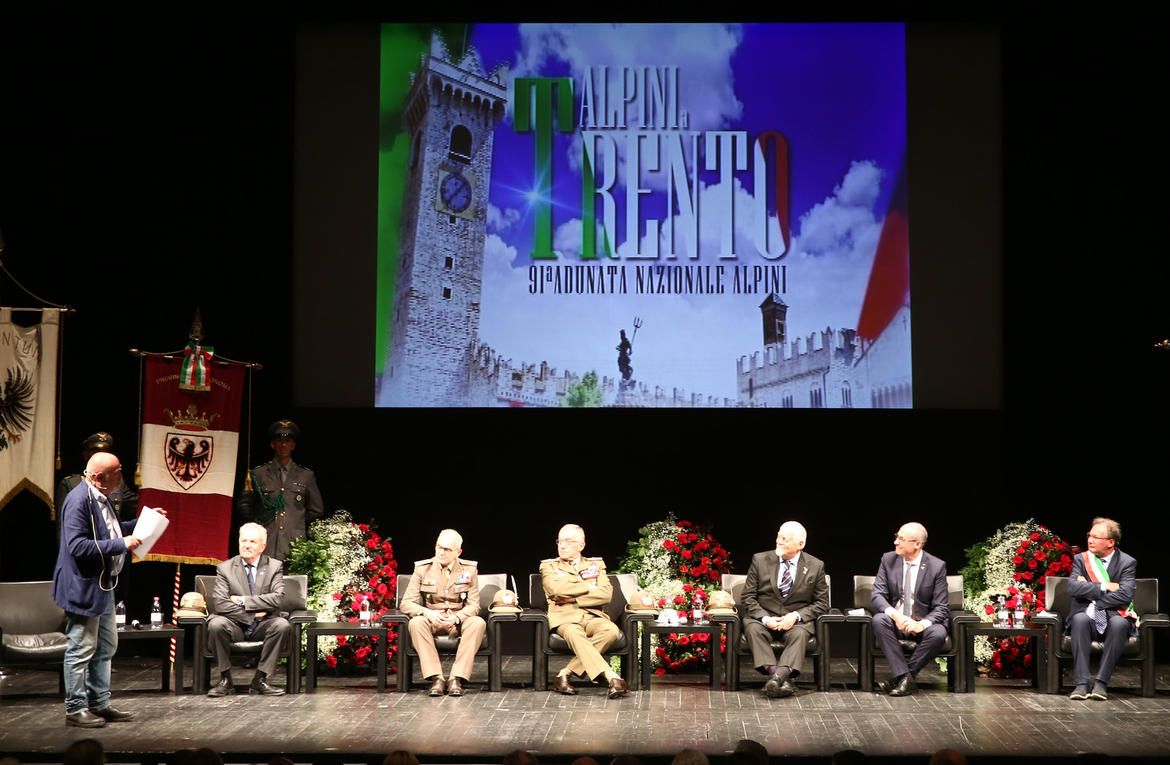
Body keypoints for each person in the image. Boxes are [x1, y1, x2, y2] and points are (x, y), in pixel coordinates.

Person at [53, 451, 158, 727]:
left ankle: (99, 703)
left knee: (106, 646)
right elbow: (77, 546)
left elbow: (111, 530)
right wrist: (122, 544)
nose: (122, 475)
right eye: (117, 471)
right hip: (84, 587)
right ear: (99, 477)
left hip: (103, 585)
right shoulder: (78, 500)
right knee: (81, 648)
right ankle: (75, 708)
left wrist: (141, 524)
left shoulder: (102, 496)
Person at [740, 521, 830, 698]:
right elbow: (747, 597)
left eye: (785, 539)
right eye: (778, 536)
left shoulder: (815, 565)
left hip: (795, 622)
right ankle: (780, 678)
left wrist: (796, 616)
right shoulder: (760, 560)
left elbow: (822, 602)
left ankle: (775, 679)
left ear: (800, 544)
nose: (779, 541)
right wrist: (765, 618)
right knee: (753, 628)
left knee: (800, 634)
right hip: (764, 618)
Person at [539, 523, 628, 698]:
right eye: (560, 541)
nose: (562, 545)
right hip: (565, 618)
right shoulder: (549, 566)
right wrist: (588, 586)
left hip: (592, 615)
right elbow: (556, 591)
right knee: (574, 634)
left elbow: (605, 594)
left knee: (610, 630)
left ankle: (565, 673)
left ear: (581, 545)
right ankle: (612, 677)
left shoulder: (595, 565)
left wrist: (572, 597)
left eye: (568, 541)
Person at [205, 522, 292, 697]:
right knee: (216, 624)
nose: (247, 545)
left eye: (252, 541)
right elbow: (220, 603)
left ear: (262, 546)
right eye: (243, 541)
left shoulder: (274, 566)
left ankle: (260, 679)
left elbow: (277, 599)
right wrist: (252, 615)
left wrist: (242, 600)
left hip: (263, 625)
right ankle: (225, 680)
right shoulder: (225, 568)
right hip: (235, 625)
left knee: (282, 625)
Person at [399, 528, 486, 697]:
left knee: (477, 622)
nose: (441, 552)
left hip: (457, 621)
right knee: (416, 622)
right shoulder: (422, 569)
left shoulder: (469, 570)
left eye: (447, 549)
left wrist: (457, 617)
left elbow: (474, 605)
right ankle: (436, 678)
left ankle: (456, 678)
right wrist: (427, 613)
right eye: (439, 547)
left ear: (458, 552)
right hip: (432, 620)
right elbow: (407, 603)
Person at [869, 521, 950, 697]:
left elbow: (941, 607)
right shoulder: (888, 560)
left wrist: (921, 624)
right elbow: (877, 596)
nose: (896, 542)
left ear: (917, 544)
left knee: (938, 633)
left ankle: (903, 678)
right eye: (896, 537)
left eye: (901, 539)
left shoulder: (936, 566)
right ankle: (906, 678)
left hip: (921, 624)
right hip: (896, 622)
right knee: (879, 620)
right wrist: (896, 616)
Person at [1067, 517, 1138, 701]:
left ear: (1110, 542)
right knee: (1079, 619)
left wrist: (1094, 597)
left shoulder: (1127, 562)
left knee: (1119, 623)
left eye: (1096, 537)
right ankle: (1082, 684)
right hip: (1087, 616)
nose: (1090, 540)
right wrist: (1105, 586)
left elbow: (1126, 594)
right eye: (1089, 535)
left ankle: (1101, 684)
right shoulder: (1081, 559)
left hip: (1114, 615)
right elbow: (1073, 588)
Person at [235, 419, 324, 561]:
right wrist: (259, 523)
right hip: (265, 544)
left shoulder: (305, 475)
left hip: (294, 546)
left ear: (293, 446)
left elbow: (316, 510)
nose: (283, 445)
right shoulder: (259, 474)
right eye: (279, 441)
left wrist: (295, 522)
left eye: (287, 441)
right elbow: (244, 506)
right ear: (272, 444)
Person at [56, 432, 138, 532]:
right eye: (96, 452)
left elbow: (133, 507)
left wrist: (150, 514)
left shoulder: (116, 482)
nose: (102, 456)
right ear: (86, 455)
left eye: (105, 452)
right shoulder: (71, 485)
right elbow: (64, 530)